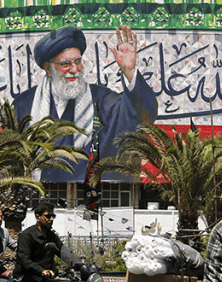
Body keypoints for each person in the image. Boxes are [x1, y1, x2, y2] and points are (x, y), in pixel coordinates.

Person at [12, 25, 158, 182]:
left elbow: (139, 113)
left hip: (90, 200)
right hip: (38, 201)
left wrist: (129, 72)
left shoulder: (101, 99)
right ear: (48, 68)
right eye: (65, 63)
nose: (74, 69)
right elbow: (8, 157)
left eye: (78, 61)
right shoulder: (24, 104)